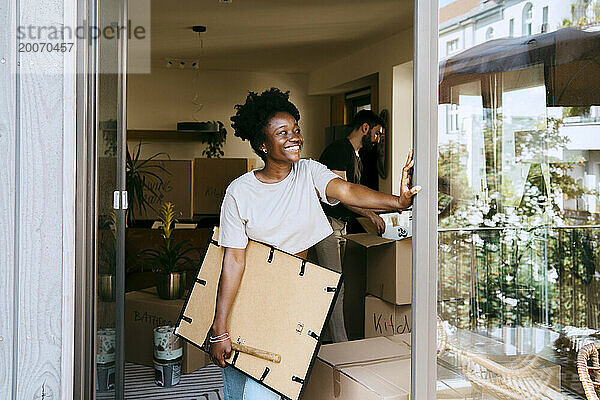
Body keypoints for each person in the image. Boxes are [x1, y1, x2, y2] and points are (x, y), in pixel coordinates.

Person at [209, 88, 420, 400]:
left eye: (296, 129)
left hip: (292, 303)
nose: (294, 137)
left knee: (265, 390)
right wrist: (220, 328)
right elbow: (233, 261)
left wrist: (397, 202)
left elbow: (348, 191)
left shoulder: (308, 172)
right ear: (263, 145)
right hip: (249, 301)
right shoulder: (239, 192)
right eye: (283, 132)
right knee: (235, 388)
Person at [314, 110, 388, 342]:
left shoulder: (356, 157)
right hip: (326, 225)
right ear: (365, 128)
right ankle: (340, 342)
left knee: (333, 284)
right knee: (335, 285)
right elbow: (344, 195)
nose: (377, 140)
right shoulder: (339, 151)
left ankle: (325, 336)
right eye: (376, 133)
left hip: (340, 226)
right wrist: (370, 213)